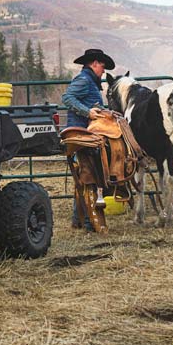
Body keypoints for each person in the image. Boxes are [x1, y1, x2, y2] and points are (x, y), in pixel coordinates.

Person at [62, 48, 115, 227]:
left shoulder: (90, 81)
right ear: (94, 64)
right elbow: (67, 98)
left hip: (84, 133)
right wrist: (87, 112)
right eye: (102, 66)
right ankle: (89, 221)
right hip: (81, 134)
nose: (103, 70)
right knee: (88, 173)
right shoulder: (84, 80)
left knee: (85, 175)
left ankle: (80, 220)